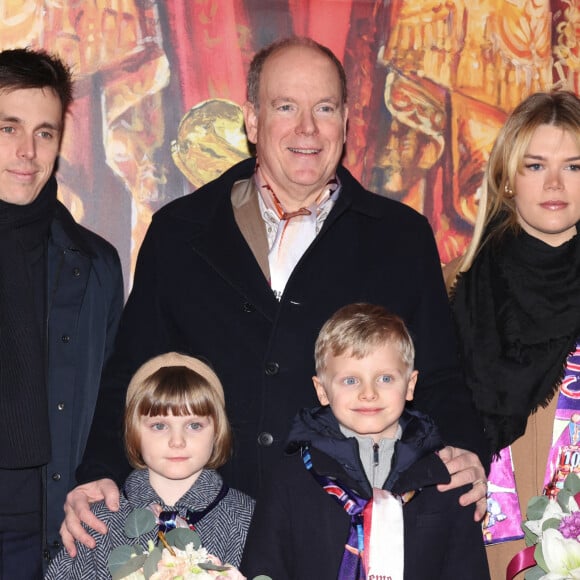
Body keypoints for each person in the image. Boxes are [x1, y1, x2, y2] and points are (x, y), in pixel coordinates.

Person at [62, 36, 488, 556]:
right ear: (253, 121)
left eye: (324, 108)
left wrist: (465, 448)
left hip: (341, 539)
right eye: (286, 107)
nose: (307, 128)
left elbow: (439, 373)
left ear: (346, 121)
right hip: (202, 533)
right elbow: (132, 373)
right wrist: (98, 473)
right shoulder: (180, 233)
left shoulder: (400, 237)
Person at [241, 303, 490, 579]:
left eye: (385, 378)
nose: (368, 393)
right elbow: (263, 568)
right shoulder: (290, 479)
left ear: (410, 384)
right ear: (322, 391)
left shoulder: (445, 479)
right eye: (350, 380)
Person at [445, 90, 580, 578]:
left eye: (574, 166)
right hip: (480, 540)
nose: (555, 184)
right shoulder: (451, 287)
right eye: (535, 165)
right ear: (506, 178)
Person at [0, 48, 124, 577]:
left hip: (50, 530)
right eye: (8, 128)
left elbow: (116, 399)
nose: (27, 151)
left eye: (45, 132)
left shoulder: (94, 263)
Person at [46, 352, 254, 578]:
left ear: (217, 432)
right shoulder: (99, 521)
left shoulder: (246, 519)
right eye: (159, 426)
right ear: (134, 432)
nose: (177, 441)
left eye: (194, 425)